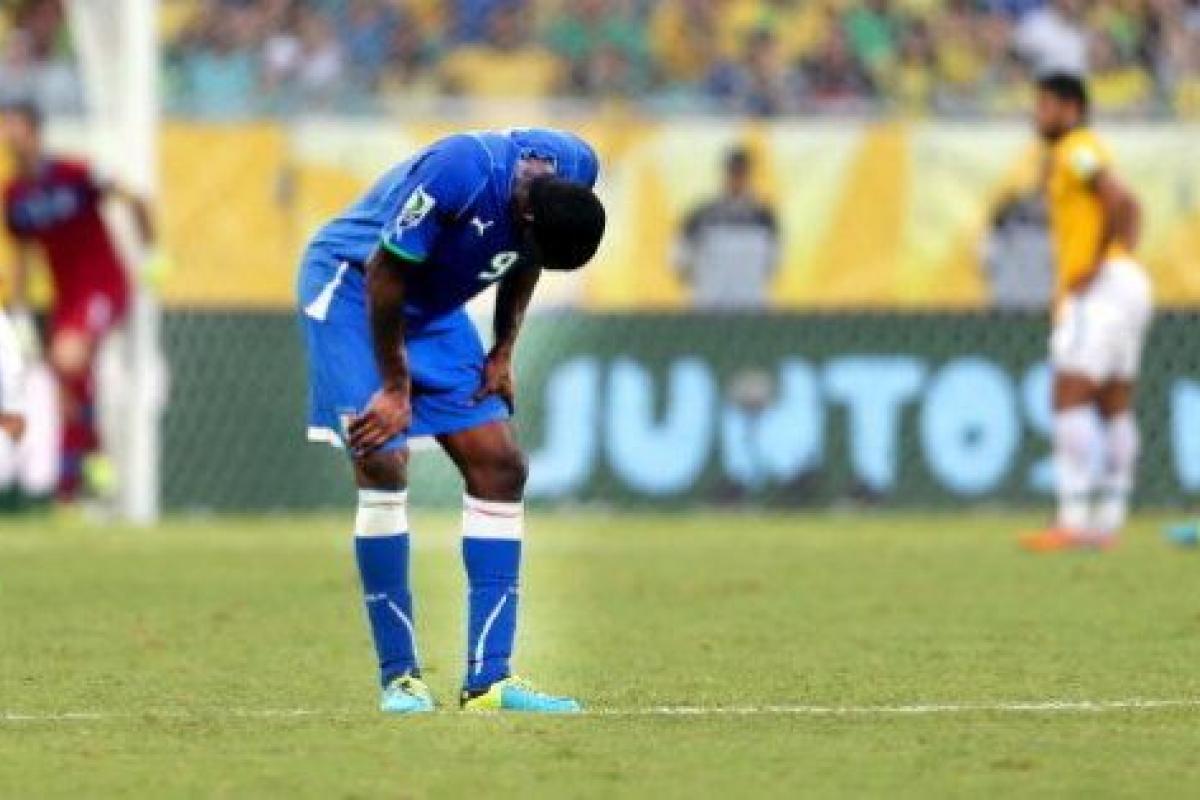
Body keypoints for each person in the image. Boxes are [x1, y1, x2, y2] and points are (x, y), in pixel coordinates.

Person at [298, 128, 605, 714]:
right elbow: (385, 272)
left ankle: (490, 682)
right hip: (355, 287)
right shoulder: (460, 171)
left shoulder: (575, 166)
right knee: (383, 456)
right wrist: (396, 388)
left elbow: (526, 257)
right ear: (526, 216)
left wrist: (503, 349)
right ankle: (401, 679)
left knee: (501, 466)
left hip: (433, 307)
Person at [1018, 74, 1150, 552]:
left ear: (1071, 109)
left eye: (1046, 106)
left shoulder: (1076, 149)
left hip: (1100, 288)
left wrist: (1097, 261)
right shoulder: (1072, 153)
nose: (1038, 115)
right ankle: (1108, 518)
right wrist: (1120, 255)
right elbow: (1129, 207)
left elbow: (1122, 200)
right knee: (1114, 402)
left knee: (1069, 394)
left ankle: (1073, 518)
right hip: (1126, 282)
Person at [1, 100, 156, 502]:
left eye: (14, 126)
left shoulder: (76, 173)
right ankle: (86, 468)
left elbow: (135, 199)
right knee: (66, 383)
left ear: (34, 131)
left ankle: (77, 474)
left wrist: (152, 253)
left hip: (104, 285)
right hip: (67, 298)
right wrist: (18, 310)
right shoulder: (14, 196)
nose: (8, 136)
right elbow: (22, 256)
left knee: (66, 360)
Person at [674, 146, 780, 310]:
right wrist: (705, 286)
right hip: (710, 307)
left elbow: (773, 263)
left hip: (750, 306)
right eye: (733, 172)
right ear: (724, 173)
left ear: (748, 175)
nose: (736, 178)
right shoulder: (701, 215)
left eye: (741, 172)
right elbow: (679, 260)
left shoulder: (764, 217)